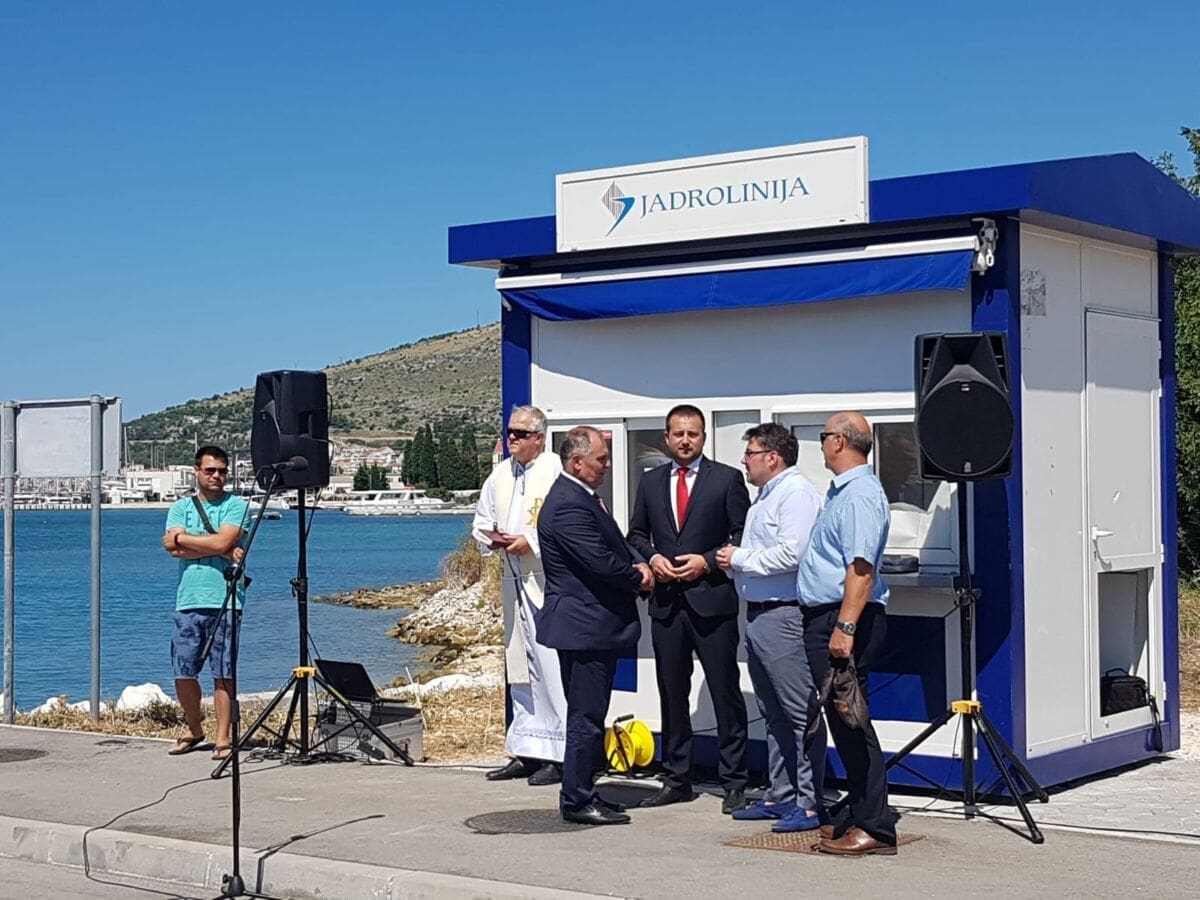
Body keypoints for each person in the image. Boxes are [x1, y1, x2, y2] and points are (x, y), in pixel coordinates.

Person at [627, 405, 750, 814]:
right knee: (671, 693)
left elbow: (742, 534)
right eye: (678, 434)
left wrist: (709, 561)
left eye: (692, 434)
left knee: (724, 692)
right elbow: (635, 534)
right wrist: (652, 557)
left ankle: (734, 782)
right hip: (667, 604)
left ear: (703, 437)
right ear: (666, 438)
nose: (685, 440)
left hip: (712, 602)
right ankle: (677, 778)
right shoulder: (650, 482)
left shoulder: (726, 479)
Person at [537, 427, 654, 825]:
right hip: (584, 626)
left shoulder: (582, 498)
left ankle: (583, 788)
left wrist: (641, 561)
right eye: (601, 459)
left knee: (589, 713)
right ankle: (577, 798)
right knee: (585, 717)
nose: (607, 465)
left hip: (590, 625)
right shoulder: (567, 504)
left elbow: (614, 545)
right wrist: (639, 577)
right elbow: (599, 561)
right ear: (576, 462)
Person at [715, 423, 825, 833]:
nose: (744, 461)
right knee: (772, 711)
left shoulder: (795, 494)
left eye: (750, 453)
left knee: (799, 711)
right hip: (759, 613)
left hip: (784, 613)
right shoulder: (765, 496)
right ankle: (781, 794)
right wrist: (737, 562)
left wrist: (740, 558)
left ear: (773, 458)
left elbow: (793, 553)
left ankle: (810, 803)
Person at [797, 412, 896, 857]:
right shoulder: (843, 492)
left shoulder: (860, 495)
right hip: (829, 617)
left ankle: (875, 826)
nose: (821, 445)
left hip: (843, 618)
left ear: (838, 441)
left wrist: (845, 626)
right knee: (842, 719)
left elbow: (861, 569)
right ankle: (858, 813)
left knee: (851, 720)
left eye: (822, 437)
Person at [473, 405, 567, 786]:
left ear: (540, 438)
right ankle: (527, 749)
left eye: (521, 434)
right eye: (510, 432)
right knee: (520, 670)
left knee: (550, 669)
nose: (512, 438)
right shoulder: (500, 474)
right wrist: (492, 539)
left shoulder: (556, 471)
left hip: (545, 581)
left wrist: (530, 541)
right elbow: (481, 521)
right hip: (513, 582)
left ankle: (559, 754)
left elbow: (565, 523)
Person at [161, 446, 249, 761]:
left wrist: (184, 539)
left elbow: (222, 540)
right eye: (210, 470)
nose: (216, 476)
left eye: (222, 471)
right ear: (197, 471)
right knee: (183, 671)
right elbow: (173, 550)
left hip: (226, 599)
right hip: (189, 600)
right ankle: (194, 729)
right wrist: (219, 549)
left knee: (223, 672)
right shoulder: (181, 507)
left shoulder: (237, 506)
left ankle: (223, 737)